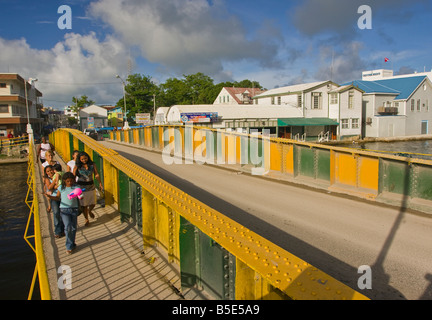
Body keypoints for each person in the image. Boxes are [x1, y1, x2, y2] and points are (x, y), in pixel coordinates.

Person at [48, 172, 80, 254]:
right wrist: (49, 196)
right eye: (68, 181)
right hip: (64, 210)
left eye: (71, 181)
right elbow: (58, 197)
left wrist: (79, 196)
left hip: (74, 209)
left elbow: (80, 198)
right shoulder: (61, 187)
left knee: (73, 228)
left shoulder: (76, 187)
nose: (70, 183)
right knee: (68, 227)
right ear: (64, 181)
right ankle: (68, 246)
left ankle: (72, 243)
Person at [73, 151, 103, 226]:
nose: (84, 160)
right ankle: (86, 218)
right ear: (79, 159)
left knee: (93, 202)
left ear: (88, 157)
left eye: (85, 158)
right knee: (84, 204)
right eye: (82, 159)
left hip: (91, 186)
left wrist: (100, 183)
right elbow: (73, 176)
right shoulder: (77, 166)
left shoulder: (92, 164)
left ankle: (90, 211)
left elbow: (96, 174)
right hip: (81, 187)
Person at [43, 165, 65, 238]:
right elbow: (49, 187)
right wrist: (55, 181)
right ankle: (57, 231)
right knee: (56, 213)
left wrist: (54, 186)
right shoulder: (47, 179)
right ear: (46, 173)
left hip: (62, 196)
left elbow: (61, 184)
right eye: (48, 171)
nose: (50, 172)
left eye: (51, 170)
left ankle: (62, 230)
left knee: (62, 213)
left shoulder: (59, 174)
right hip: (54, 197)